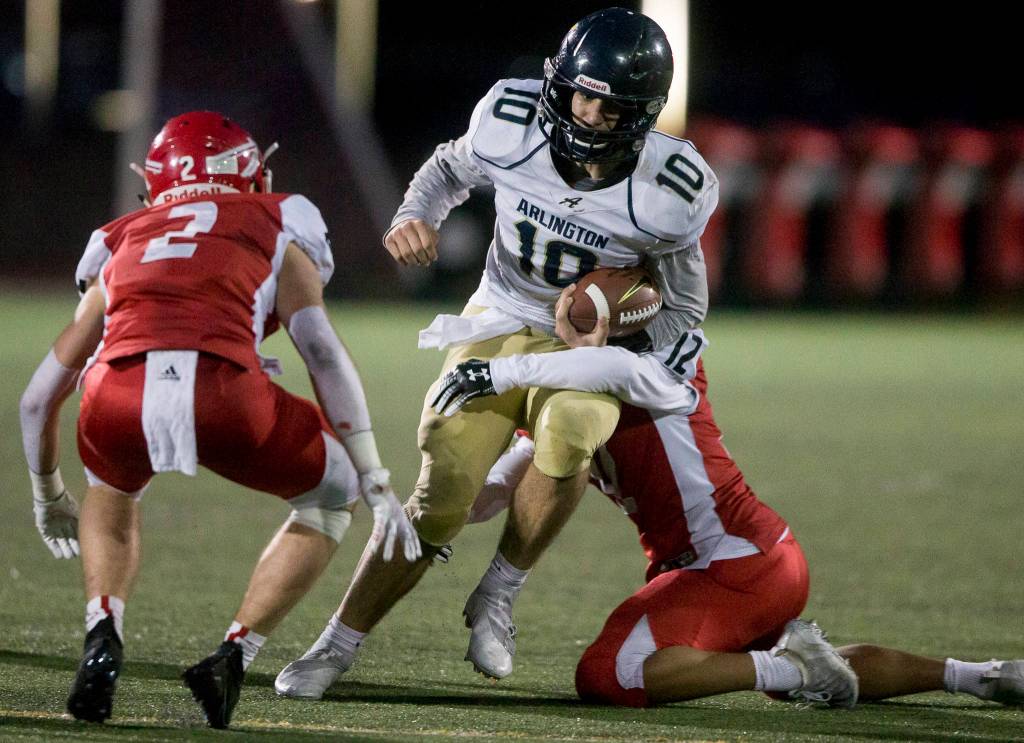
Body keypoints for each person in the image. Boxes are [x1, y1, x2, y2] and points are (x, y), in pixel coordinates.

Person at [275, 6, 719, 698]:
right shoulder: (511, 120)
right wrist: (414, 214)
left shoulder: (669, 191)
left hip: (584, 343)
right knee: (443, 484)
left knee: (573, 427)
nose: (587, 112)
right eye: (580, 91)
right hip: (502, 311)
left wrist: (634, 361)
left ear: (641, 113)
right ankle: (338, 641)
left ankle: (499, 593)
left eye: (608, 104)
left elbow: (686, 311)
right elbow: (447, 168)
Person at [435, 286, 1024, 708]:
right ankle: (977, 676)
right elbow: (495, 489)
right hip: (756, 558)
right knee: (800, 667)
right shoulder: (575, 397)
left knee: (610, 674)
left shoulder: (649, 372)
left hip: (731, 563)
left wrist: (506, 373)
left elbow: (612, 366)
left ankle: (791, 668)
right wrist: (436, 515)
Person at [18, 111, 420, 728]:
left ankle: (103, 635)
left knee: (112, 489)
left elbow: (38, 397)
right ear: (251, 175)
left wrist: (48, 496)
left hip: (115, 396)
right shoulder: (278, 218)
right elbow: (322, 352)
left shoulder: (119, 238)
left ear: (155, 182)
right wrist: (370, 469)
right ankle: (234, 655)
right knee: (329, 498)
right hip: (226, 395)